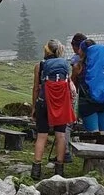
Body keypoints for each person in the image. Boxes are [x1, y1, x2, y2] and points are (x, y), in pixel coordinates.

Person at [30, 40, 75, 178]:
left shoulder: (40, 65)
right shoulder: (65, 65)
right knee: (60, 135)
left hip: (44, 102)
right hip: (61, 103)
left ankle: (36, 169)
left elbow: (36, 87)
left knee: (42, 135)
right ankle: (59, 170)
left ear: (46, 50)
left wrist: (34, 107)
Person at [76, 39, 104, 132]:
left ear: (82, 51)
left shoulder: (78, 66)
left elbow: (74, 86)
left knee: (92, 135)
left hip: (87, 104)